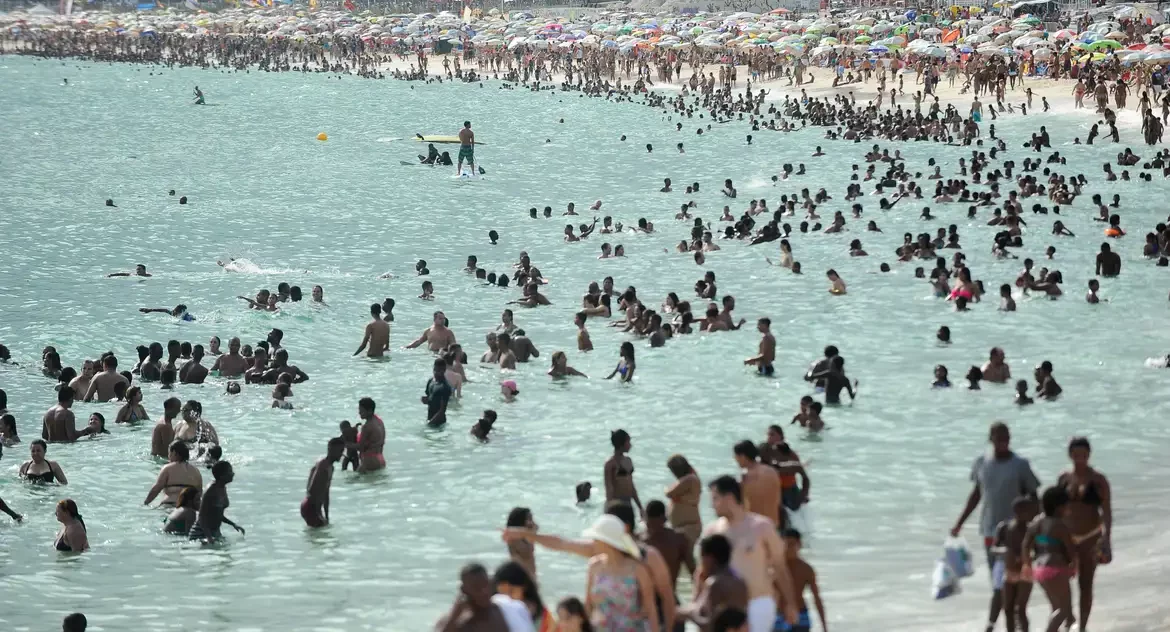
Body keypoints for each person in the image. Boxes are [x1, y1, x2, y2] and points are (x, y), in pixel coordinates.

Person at [951, 422, 1040, 632]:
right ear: (990, 439)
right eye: (999, 437)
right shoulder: (981, 463)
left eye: (1006, 437)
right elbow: (976, 495)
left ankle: (999, 623)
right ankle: (1001, 623)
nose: (1003, 441)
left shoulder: (1020, 465)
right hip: (991, 532)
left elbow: (1035, 499)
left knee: (1013, 583)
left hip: (1017, 534)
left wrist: (1038, 528)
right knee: (999, 583)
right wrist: (959, 524)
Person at [701, 476, 798, 632]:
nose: (712, 505)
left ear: (729, 498)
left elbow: (780, 567)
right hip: (723, 607)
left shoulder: (761, 526)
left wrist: (790, 603)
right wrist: (697, 602)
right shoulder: (712, 531)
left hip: (758, 603)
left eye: (715, 498)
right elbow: (702, 572)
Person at [1057, 437, 1112, 630]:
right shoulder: (1063, 478)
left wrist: (1106, 539)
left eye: (1083, 454)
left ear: (1089, 455)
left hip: (1091, 536)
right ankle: (1068, 618)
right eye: (1076, 454)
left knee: (1085, 584)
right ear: (1069, 454)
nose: (1080, 458)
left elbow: (1106, 511)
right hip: (1066, 538)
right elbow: (1055, 509)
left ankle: (1082, 627)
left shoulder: (1098, 480)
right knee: (1060, 582)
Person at [1022, 487, 1077, 632]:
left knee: (1056, 608)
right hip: (1057, 569)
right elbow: (1070, 549)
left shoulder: (1035, 522)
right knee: (1064, 610)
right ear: (1059, 508)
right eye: (1067, 506)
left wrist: (1027, 564)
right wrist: (1074, 565)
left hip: (1040, 569)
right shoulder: (1060, 525)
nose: (1069, 509)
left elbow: (1025, 545)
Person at [678, 534, 748, 631]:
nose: (700, 564)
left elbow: (708, 623)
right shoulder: (740, 582)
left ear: (709, 558)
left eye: (701, 558)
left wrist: (684, 614)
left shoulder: (715, 584)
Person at [991, 495, 1038, 632]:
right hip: (1009, 571)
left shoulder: (1032, 529)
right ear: (1017, 511)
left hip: (1025, 572)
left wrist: (1027, 557)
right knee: (1008, 609)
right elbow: (994, 548)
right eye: (1028, 511)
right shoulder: (1004, 527)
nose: (1031, 514)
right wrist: (1006, 552)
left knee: (1020, 609)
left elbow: (1039, 551)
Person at [435, 563, 514, 632]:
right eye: (477, 587)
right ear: (464, 590)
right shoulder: (456, 622)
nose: (484, 592)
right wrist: (454, 616)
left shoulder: (502, 610)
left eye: (486, 584)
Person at [775, 529, 826, 632]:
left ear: (799, 544)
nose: (788, 548)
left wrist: (824, 626)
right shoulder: (774, 568)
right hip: (779, 615)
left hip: (801, 615)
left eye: (792, 544)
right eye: (785, 544)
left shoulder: (806, 569)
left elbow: (816, 598)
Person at [642, 500, 695, 596]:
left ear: (664, 519)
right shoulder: (639, 541)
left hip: (668, 596)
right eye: (649, 525)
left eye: (654, 525)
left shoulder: (679, 540)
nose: (652, 531)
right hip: (644, 599)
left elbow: (693, 572)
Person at [189, 461, 244, 541]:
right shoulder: (211, 490)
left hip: (214, 532)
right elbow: (201, 516)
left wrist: (233, 524)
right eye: (230, 471)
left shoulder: (222, 487)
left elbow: (217, 514)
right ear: (222, 476)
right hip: (200, 533)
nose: (233, 474)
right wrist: (209, 537)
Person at [733, 440, 781, 525]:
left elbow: (740, 506)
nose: (735, 459)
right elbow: (778, 500)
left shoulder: (745, 476)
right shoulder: (772, 471)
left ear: (743, 456)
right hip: (773, 524)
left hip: (755, 526)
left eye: (736, 456)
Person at [492, 561, 548, 632]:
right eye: (502, 594)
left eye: (511, 592)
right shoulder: (494, 615)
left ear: (524, 587)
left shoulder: (544, 618)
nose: (507, 598)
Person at [145, 441, 203, 506]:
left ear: (175, 453)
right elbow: (200, 494)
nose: (168, 456)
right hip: (190, 507)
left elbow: (156, 489)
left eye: (169, 453)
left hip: (170, 504)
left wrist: (146, 503)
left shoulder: (167, 468)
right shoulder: (196, 471)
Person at [302, 437, 344, 528]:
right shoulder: (323, 465)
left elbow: (326, 492)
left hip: (314, 507)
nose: (342, 455)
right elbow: (311, 489)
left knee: (321, 530)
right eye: (340, 451)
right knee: (319, 531)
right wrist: (317, 511)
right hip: (311, 507)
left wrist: (326, 515)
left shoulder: (330, 468)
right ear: (331, 450)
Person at [664, 454, 702, 548]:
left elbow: (669, 493)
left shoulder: (689, 479)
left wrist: (665, 489)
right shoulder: (688, 479)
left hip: (689, 527)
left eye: (672, 469)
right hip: (683, 527)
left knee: (685, 553)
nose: (673, 473)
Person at [604, 429, 644, 519]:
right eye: (628, 442)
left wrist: (640, 507)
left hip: (628, 503)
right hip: (615, 504)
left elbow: (631, 486)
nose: (630, 445)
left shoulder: (628, 461)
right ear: (621, 443)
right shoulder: (610, 464)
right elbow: (609, 487)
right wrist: (609, 510)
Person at [505, 507, 540, 580]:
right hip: (519, 578)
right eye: (529, 519)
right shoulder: (514, 538)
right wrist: (533, 533)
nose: (532, 522)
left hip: (528, 577)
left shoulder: (525, 538)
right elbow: (527, 552)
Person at [356, 397, 386, 472]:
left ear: (369, 411)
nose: (359, 412)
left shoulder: (367, 426)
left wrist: (346, 443)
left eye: (361, 410)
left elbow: (360, 447)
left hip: (370, 461)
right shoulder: (379, 422)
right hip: (380, 458)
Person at [423, 359, 453, 426]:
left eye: (438, 371)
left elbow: (442, 411)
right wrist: (426, 400)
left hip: (439, 423)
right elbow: (430, 398)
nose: (435, 372)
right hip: (429, 418)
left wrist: (429, 424)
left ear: (444, 370)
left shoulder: (445, 387)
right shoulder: (430, 381)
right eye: (434, 370)